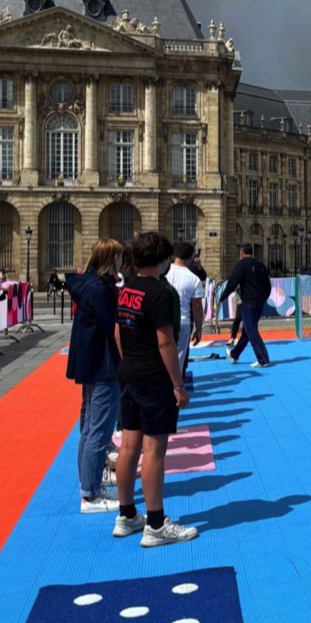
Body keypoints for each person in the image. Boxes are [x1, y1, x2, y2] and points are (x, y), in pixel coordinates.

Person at [113, 231, 198, 546]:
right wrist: (178, 385)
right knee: (153, 451)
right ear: (163, 259)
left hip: (129, 373)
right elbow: (166, 342)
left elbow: (119, 333)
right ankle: (156, 523)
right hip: (153, 377)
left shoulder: (126, 289)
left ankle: (126, 514)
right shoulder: (161, 293)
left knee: (128, 446)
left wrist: (130, 362)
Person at [66, 238, 125, 514]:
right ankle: (90, 494)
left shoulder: (87, 284)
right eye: (119, 257)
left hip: (89, 363)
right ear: (112, 259)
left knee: (90, 426)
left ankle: (88, 487)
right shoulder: (101, 290)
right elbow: (113, 327)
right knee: (99, 429)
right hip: (103, 364)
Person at [220, 244, 273, 368]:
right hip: (259, 302)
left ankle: (263, 358)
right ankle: (234, 354)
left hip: (248, 302)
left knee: (251, 330)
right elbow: (268, 285)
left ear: (242, 253)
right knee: (247, 332)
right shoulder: (260, 265)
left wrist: (223, 297)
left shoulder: (242, 264)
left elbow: (233, 282)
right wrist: (264, 298)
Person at [167, 242, 204, 374]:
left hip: (162, 319)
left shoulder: (163, 272)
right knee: (179, 358)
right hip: (183, 321)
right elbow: (197, 307)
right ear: (191, 258)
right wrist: (199, 329)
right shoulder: (194, 279)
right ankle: (177, 385)